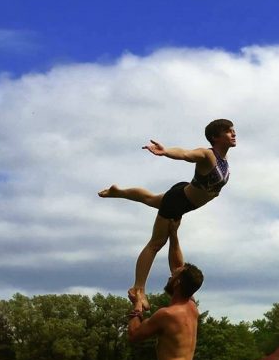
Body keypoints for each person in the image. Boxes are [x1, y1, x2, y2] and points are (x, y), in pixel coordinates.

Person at [100, 119, 236, 313]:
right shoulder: (208, 155)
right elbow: (186, 154)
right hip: (178, 201)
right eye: (228, 131)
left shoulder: (224, 160)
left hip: (183, 198)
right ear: (215, 137)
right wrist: (165, 151)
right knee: (156, 243)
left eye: (233, 130)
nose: (233, 134)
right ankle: (138, 288)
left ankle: (118, 192)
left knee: (150, 199)